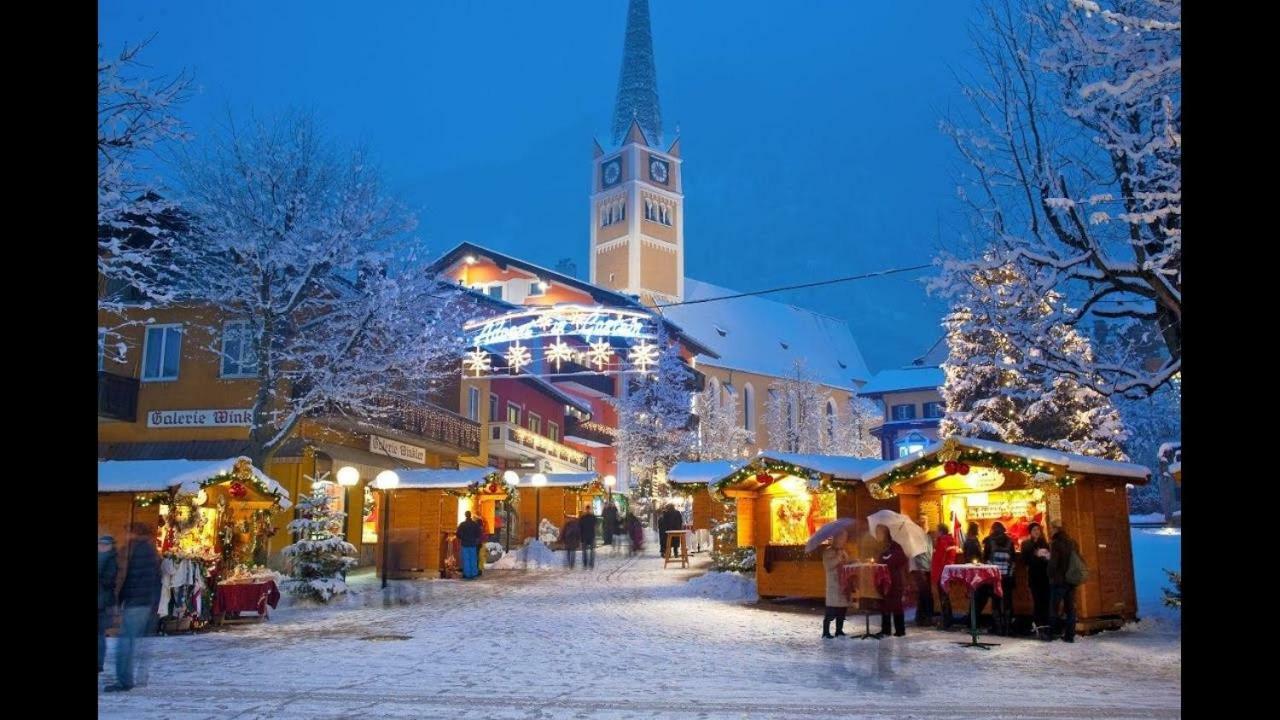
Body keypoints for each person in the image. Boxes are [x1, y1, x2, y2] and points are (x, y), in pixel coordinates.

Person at [106, 524, 160, 692]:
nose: (126, 536)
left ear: (134, 533)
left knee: (125, 643)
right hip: (144, 602)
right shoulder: (149, 550)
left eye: (127, 532)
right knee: (131, 642)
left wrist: (121, 599)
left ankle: (124, 680)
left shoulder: (140, 551)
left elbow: (133, 578)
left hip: (136, 602)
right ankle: (130, 678)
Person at [981, 521, 1017, 635]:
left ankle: (998, 628)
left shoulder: (989, 541)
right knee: (1007, 601)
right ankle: (1007, 628)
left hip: (994, 577)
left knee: (996, 601)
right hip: (1007, 576)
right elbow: (1013, 559)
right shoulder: (1010, 541)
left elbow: (985, 559)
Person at [1048, 520, 1080, 643]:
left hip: (1058, 581)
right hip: (1071, 580)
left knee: (1054, 608)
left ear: (1056, 529)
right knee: (1070, 609)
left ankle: (1052, 633)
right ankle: (1069, 635)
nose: (1050, 530)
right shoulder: (1072, 542)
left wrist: (1050, 574)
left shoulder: (1056, 543)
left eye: (1052, 528)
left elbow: (1053, 564)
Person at [875, 525, 909, 637]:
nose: (877, 535)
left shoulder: (896, 547)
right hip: (884, 580)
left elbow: (901, 560)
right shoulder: (881, 547)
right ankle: (886, 629)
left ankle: (900, 630)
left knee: (896, 605)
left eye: (879, 532)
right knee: (884, 604)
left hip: (895, 580)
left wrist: (888, 558)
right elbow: (879, 560)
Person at [1020, 522, 1051, 639]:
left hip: (1045, 576)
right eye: (1034, 530)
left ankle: (1045, 624)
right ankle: (1038, 624)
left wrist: (1046, 557)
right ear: (1030, 532)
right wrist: (1035, 555)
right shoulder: (1026, 544)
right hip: (1034, 576)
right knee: (1037, 600)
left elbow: (1049, 558)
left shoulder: (1044, 543)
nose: (1036, 531)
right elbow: (1024, 561)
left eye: (1038, 529)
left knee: (1045, 600)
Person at [821, 530, 850, 638]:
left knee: (842, 610)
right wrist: (838, 557)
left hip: (843, 584)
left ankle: (839, 630)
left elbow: (846, 562)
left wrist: (852, 562)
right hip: (833, 584)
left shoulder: (843, 551)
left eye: (845, 539)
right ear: (837, 539)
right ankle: (826, 632)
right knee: (831, 610)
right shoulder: (828, 552)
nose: (844, 541)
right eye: (842, 538)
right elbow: (828, 565)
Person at [98, 535, 118, 674]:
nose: (102, 547)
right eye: (101, 544)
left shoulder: (111, 561)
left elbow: (109, 582)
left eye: (105, 545)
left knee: (99, 635)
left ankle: (99, 664)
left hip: (102, 603)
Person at [931, 523, 958, 628]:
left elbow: (943, 559)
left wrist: (941, 573)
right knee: (944, 597)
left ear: (941, 531)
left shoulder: (944, 542)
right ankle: (947, 619)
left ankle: (947, 621)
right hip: (944, 572)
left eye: (937, 530)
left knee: (944, 597)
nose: (935, 532)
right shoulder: (945, 541)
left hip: (942, 573)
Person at [912, 524, 935, 627]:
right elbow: (917, 555)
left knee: (923, 594)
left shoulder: (927, 538)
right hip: (920, 568)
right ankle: (926, 618)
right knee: (926, 594)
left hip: (926, 568)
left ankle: (920, 618)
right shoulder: (916, 539)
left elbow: (929, 553)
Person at [456, 511, 482, 580]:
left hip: (464, 544)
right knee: (473, 559)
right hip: (473, 544)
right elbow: (479, 533)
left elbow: (458, 534)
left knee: (466, 559)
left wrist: (463, 537)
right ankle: (473, 573)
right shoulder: (475, 524)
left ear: (465, 515)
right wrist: (475, 539)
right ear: (470, 516)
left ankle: (467, 574)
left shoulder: (462, 524)